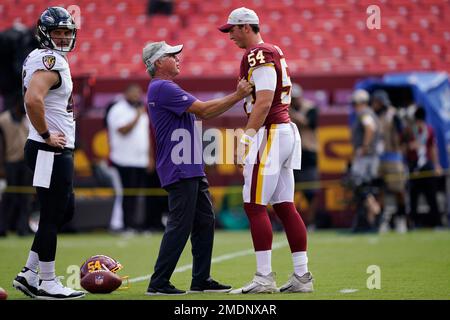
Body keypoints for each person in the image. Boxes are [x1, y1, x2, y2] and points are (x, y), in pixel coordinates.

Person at [142, 40, 252, 295]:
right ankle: (158, 282)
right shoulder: (162, 87)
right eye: (171, 55)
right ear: (158, 63)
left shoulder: (164, 87)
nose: (178, 58)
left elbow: (201, 113)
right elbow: (203, 110)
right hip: (180, 167)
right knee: (180, 224)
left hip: (189, 166)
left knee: (204, 221)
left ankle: (200, 279)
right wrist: (238, 95)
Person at [219, 7, 314, 294]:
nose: (230, 36)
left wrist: (246, 140)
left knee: (254, 204)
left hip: (269, 133)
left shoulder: (258, 53)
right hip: (283, 132)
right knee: (285, 206)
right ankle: (301, 276)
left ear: (247, 27)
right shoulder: (273, 50)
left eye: (233, 29)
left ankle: (263, 278)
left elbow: (263, 101)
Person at [12, 7, 84, 299]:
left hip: (51, 149)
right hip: (48, 149)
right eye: (58, 32)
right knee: (53, 214)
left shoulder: (47, 58)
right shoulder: (48, 59)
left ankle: (29, 273)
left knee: (62, 211)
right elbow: (32, 100)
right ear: (45, 34)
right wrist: (45, 134)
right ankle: (48, 281)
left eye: (68, 32)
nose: (64, 37)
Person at [106, 84, 163, 232]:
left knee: (138, 194)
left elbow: (146, 136)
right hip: (123, 160)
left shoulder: (142, 110)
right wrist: (137, 117)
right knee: (127, 194)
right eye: (134, 93)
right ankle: (124, 225)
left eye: (139, 94)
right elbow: (122, 130)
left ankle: (134, 224)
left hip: (140, 160)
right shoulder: (118, 109)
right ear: (126, 93)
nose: (137, 96)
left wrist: (150, 157)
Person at [370, 90, 408, 233]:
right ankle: (382, 221)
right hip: (378, 157)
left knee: (398, 189)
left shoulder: (394, 115)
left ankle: (401, 219)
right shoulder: (373, 116)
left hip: (393, 156)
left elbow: (403, 134)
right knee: (380, 190)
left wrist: (400, 148)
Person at [403, 106, 443, 228]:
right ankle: (413, 224)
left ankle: (436, 223)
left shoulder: (429, 130)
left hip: (426, 165)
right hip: (413, 165)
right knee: (413, 197)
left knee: (431, 196)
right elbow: (402, 147)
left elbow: (432, 148)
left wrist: (436, 165)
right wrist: (409, 147)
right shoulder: (409, 130)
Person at [349, 89, 382, 232]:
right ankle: (370, 220)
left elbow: (370, 128)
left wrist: (364, 146)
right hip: (371, 156)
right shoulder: (370, 113)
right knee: (366, 186)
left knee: (360, 184)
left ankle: (374, 209)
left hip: (366, 157)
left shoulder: (365, 114)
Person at [0, 93, 32, 237]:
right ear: (18, 103)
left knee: (26, 198)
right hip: (10, 162)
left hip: (26, 163)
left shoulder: (29, 118)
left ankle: (23, 228)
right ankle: (3, 227)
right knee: (9, 197)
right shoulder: (4, 120)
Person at [289, 83, 320, 229]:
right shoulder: (288, 109)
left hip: (308, 153)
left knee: (311, 192)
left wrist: (290, 113)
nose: (293, 101)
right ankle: (289, 222)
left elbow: (308, 123)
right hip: (291, 152)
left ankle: (311, 221)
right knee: (289, 190)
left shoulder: (310, 108)